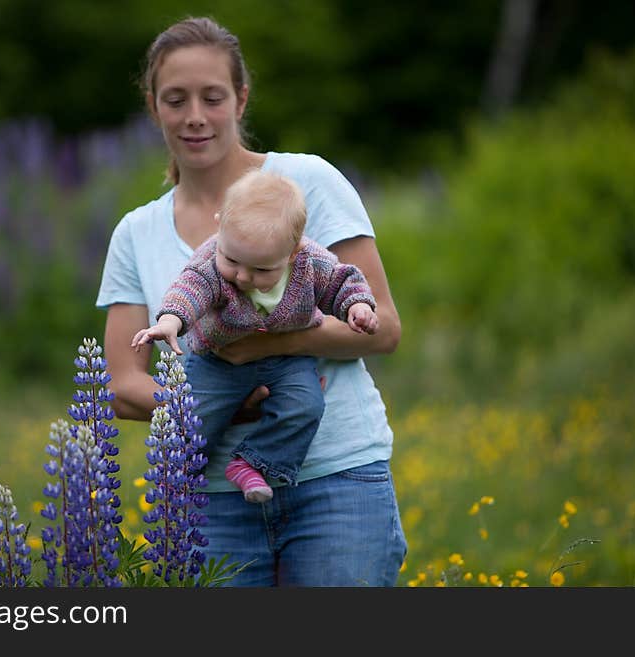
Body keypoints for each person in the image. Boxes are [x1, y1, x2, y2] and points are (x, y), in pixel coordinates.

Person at [97, 16, 408, 586]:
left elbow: (383, 328)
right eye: (176, 99)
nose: (195, 115)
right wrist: (223, 400)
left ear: (241, 98)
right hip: (208, 504)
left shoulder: (306, 181)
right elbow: (122, 383)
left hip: (336, 481)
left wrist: (265, 344)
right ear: (153, 106)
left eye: (212, 96)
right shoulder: (135, 233)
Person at [131, 169, 379, 504]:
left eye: (261, 270)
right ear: (220, 229)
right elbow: (191, 288)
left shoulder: (309, 261)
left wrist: (357, 305)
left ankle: (252, 462)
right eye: (232, 261)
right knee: (193, 416)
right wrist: (172, 321)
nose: (243, 276)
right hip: (217, 359)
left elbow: (340, 280)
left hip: (288, 359)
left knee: (305, 406)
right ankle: (175, 476)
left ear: (292, 252)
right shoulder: (210, 259)